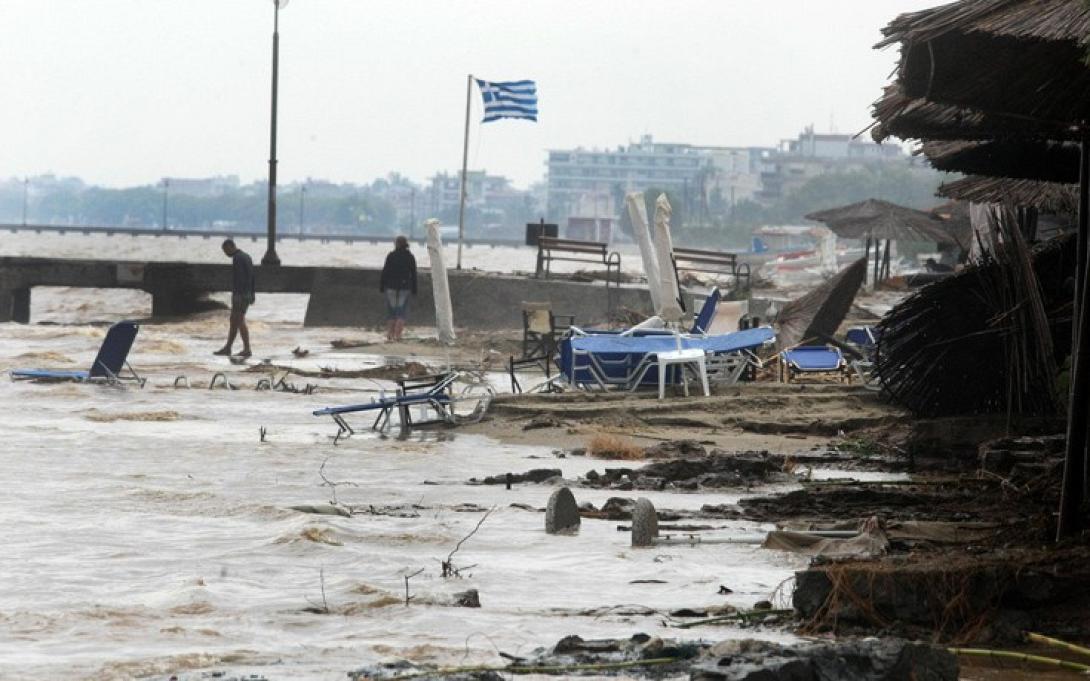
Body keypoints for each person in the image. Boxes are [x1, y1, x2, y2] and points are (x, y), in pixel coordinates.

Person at [214, 238, 255, 357]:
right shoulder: (247, 256)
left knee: (239, 320)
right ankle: (228, 347)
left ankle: (247, 349)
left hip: (240, 294)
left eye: (225, 250)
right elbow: (252, 277)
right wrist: (252, 294)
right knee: (234, 320)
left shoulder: (237, 258)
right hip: (247, 293)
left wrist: (238, 295)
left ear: (230, 247)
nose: (225, 253)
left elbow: (239, 279)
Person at [379, 235, 417, 342]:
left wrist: (382, 286)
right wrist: (414, 289)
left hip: (391, 287)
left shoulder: (391, 256)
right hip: (405, 288)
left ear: (396, 244)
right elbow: (413, 274)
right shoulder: (410, 257)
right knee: (401, 312)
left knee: (391, 312)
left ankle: (390, 335)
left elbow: (385, 272)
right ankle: (397, 336)